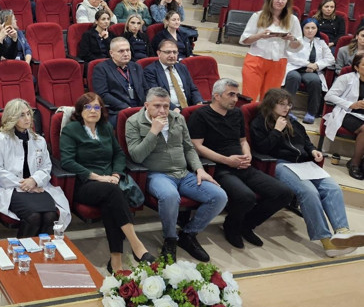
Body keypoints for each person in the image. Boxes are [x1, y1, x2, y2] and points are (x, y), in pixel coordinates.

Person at [250, 88, 364, 257]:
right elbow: (262, 148)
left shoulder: (292, 121)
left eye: (288, 104)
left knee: (332, 187)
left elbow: (305, 141)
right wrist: (276, 131)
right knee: (308, 192)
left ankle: (342, 231)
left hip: (303, 163)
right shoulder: (260, 123)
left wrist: (312, 151)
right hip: (279, 164)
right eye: (281, 104)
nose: (286, 108)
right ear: (271, 104)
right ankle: (326, 240)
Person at [188, 78, 293, 249]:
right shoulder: (200, 115)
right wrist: (227, 160)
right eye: (231, 95)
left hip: (243, 165)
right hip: (220, 168)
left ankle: (247, 225)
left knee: (284, 193)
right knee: (246, 197)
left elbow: (243, 140)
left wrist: (248, 155)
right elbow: (196, 147)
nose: (236, 99)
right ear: (216, 96)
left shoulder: (236, 113)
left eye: (237, 95)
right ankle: (232, 226)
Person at [125, 87, 227, 262]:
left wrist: (199, 169)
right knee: (170, 196)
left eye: (166, 106)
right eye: (157, 106)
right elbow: (136, 155)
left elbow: (188, 147)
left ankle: (188, 234)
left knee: (219, 196)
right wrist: (153, 132)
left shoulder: (178, 118)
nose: (163, 111)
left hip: (184, 173)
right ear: (147, 105)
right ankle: (170, 238)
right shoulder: (133, 122)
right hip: (157, 174)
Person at [59, 92, 155, 272]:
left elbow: (119, 154)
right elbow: (67, 161)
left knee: (110, 203)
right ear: (80, 110)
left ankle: (116, 261)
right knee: (112, 192)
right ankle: (137, 245)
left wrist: (116, 174)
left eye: (97, 107)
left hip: (110, 183)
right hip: (85, 184)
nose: (93, 111)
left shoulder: (105, 128)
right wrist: (99, 177)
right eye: (88, 107)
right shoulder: (71, 130)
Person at [0, 98, 70, 237]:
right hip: (12, 188)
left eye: (28, 114)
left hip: (38, 186)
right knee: (34, 217)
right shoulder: (1, 139)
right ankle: (22, 254)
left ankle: (42, 254)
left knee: (50, 216)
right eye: (22, 115)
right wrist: (23, 184)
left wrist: (34, 180)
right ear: (12, 117)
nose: (27, 118)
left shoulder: (39, 140)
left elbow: (46, 166)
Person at [240, 0, 303, 101]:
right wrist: (260, 35)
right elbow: (244, 40)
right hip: (255, 60)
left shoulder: (293, 19)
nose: (280, 1)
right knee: (249, 98)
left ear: (287, 1)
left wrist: (291, 39)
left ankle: (265, 119)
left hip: (278, 63)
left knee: (270, 101)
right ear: (270, 0)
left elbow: (297, 46)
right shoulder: (258, 16)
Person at [283, 18, 335, 124]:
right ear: (302, 29)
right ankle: (287, 110)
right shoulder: (295, 40)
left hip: (311, 71)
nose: (310, 30)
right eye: (307, 28)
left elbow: (331, 59)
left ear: (317, 29)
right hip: (295, 68)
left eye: (313, 28)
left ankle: (311, 112)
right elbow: (290, 56)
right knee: (293, 77)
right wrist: (307, 64)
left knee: (315, 81)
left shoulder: (321, 42)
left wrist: (316, 65)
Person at [324, 52, 364, 180]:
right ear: (357, 67)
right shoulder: (346, 78)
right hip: (347, 113)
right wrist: (351, 104)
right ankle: (355, 163)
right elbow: (329, 96)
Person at [92, 37, 146, 128]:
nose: (126, 54)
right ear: (111, 53)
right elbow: (103, 94)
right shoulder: (101, 68)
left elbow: (146, 89)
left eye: (128, 50)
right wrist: (126, 108)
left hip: (141, 109)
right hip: (116, 111)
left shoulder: (136, 66)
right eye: (121, 51)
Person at [143, 39, 203, 110]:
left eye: (175, 52)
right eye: (168, 52)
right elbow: (156, 95)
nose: (172, 56)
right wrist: (173, 108)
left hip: (188, 107)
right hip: (166, 109)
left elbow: (193, 89)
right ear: (159, 53)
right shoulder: (151, 70)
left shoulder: (182, 67)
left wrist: (198, 102)